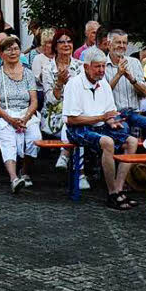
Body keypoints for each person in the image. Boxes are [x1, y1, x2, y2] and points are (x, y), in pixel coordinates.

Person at [63, 46, 139, 210]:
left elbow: (109, 114)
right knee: (107, 142)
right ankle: (111, 194)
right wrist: (102, 118)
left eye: (103, 66)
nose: (102, 70)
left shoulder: (103, 84)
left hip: (99, 126)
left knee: (132, 141)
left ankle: (119, 189)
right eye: (97, 66)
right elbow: (71, 119)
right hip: (77, 128)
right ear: (86, 67)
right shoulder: (74, 84)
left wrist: (113, 122)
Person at [0, 36, 41, 193]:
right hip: (1, 115)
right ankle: (13, 178)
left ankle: (25, 172)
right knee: (8, 136)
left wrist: (25, 118)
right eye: (8, 49)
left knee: (34, 136)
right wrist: (10, 119)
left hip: (25, 114)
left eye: (16, 48)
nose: (13, 52)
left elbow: (34, 101)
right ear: (1, 53)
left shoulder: (28, 73)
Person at [41, 28, 84, 182]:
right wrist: (59, 83)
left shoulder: (81, 67)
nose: (66, 44)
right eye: (62, 42)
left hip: (78, 112)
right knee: (76, 124)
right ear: (55, 46)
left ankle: (65, 155)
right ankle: (80, 174)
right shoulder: (47, 68)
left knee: (77, 122)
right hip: (54, 115)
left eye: (69, 41)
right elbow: (50, 100)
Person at [105, 29, 146, 135]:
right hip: (114, 114)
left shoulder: (134, 62)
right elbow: (102, 94)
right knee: (123, 130)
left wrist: (131, 78)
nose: (122, 45)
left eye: (124, 43)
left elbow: (144, 93)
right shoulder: (102, 64)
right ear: (108, 44)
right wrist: (119, 74)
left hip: (134, 113)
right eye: (118, 42)